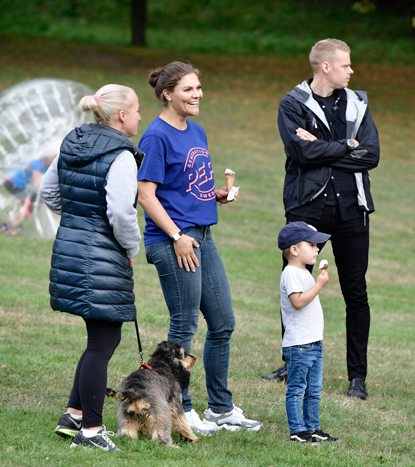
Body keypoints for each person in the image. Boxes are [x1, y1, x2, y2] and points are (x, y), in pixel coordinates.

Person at [136, 61, 261, 434]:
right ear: (167, 94)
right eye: (188, 89)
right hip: (174, 241)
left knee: (222, 322)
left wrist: (214, 195)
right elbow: (146, 195)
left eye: (199, 88)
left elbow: (189, 184)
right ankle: (181, 409)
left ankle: (220, 409)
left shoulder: (197, 131)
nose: (197, 95)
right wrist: (177, 237)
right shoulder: (155, 136)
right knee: (185, 323)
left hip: (202, 236)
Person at [264, 38, 380, 400]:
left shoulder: (358, 103)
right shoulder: (293, 103)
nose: (352, 71)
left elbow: (371, 155)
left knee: (355, 292)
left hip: (351, 209)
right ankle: (291, 361)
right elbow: (300, 152)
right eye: (346, 65)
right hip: (307, 206)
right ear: (325, 66)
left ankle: (357, 377)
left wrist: (322, 149)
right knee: (295, 283)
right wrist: (347, 145)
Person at [39, 84, 144, 452]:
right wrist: (132, 247)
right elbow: (120, 212)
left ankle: (73, 415)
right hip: (102, 256)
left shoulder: (73, 141)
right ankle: (91, 431)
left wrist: (80, 220)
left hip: (71, 248)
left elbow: (49, 193)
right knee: (102, 342)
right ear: (121, 115)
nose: (140, 116)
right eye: (137, 109)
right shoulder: (123, 155)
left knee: (99, 340)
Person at [278, 222, 338, 443]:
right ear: (294, 250)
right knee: (297, 389)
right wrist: (320, 285)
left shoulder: (303, 272)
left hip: (314, 343)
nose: (317, 249)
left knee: (313, 389)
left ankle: (313, 428)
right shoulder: (291, 273)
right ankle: (297, 430)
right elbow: (298, 302)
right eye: (311, 244)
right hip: (300, 344)